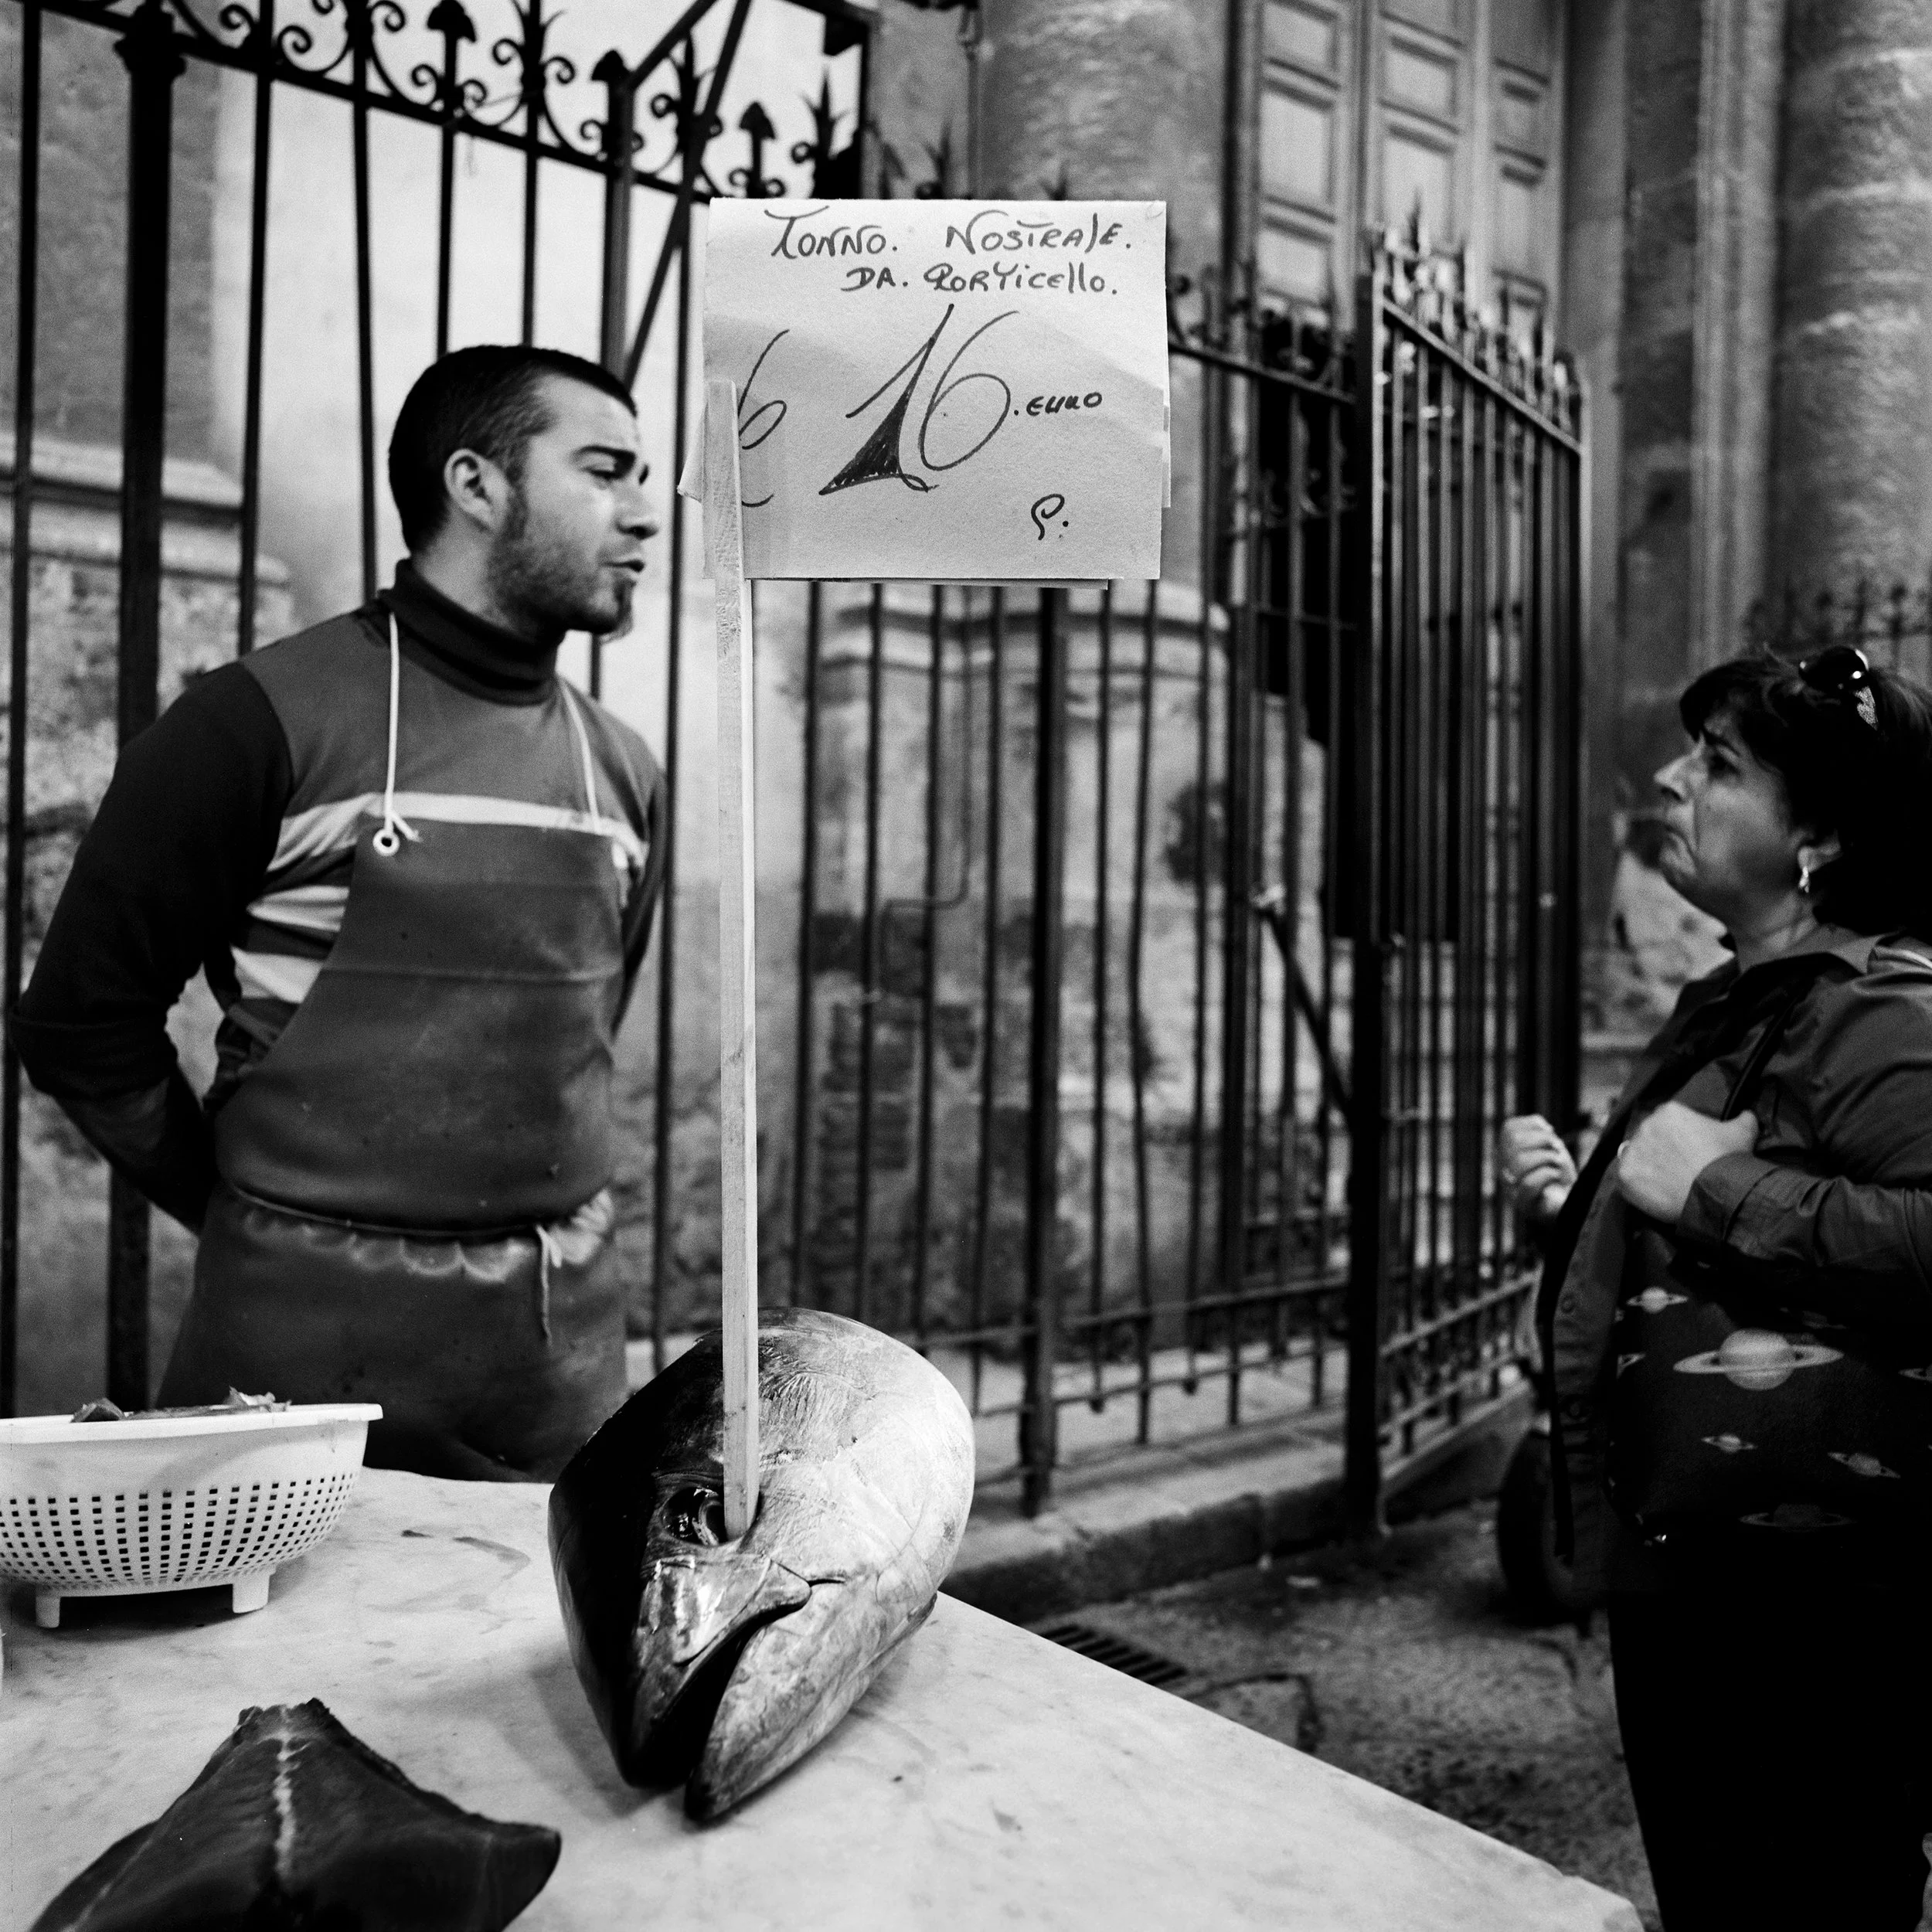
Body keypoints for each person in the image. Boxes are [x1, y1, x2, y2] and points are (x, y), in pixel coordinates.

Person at [14, 344, 665, 1481]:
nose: (645, 516)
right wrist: (248, 1210)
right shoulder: (256, 724)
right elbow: (79, 1025)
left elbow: (590, 1029)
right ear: (477, 485)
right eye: (608, 472)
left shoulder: (626, 771)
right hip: (294, 1373)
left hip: (559, 1381)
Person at [1502, 645, 1932, 1930]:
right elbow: (1707, 1224)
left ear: (1823, 834)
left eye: (1721, 764)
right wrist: (1585, 1212)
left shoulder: (1886, 1012)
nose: (1670, 777)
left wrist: (1710, 1193)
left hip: (1821, 1599)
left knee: (1806, 1899)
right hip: (1702, 1557)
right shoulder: (1740, 998)